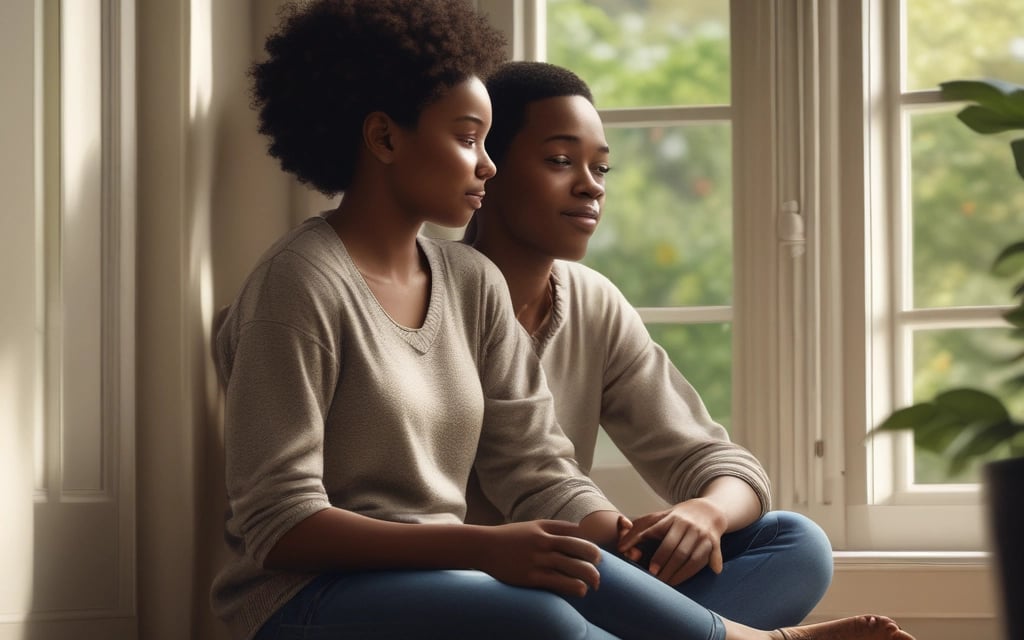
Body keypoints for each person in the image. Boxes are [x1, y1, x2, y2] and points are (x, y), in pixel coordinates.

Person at [213, 0, 914, 638]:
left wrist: (615, 541)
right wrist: (486, 548)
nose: (485, 167)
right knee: (542, 617)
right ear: (384, 138)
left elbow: (533, 467)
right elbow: (280, 522)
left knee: (783, 546)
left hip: (465, 576)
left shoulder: (469, 281)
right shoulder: (300, 283)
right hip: (312, 598)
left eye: (488, 143)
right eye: (469, 140)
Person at [465, 60, 916, 639]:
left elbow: (711, 458)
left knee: (796, 543)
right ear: (486, 166)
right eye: (559, 160)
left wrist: (705, 512)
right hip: (482, 583)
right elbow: (533, 478)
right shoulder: (439, 292)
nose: (591, 185)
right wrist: (619, 550)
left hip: (589, 575)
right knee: (549, 613)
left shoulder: (593, 302)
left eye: (601, 167)